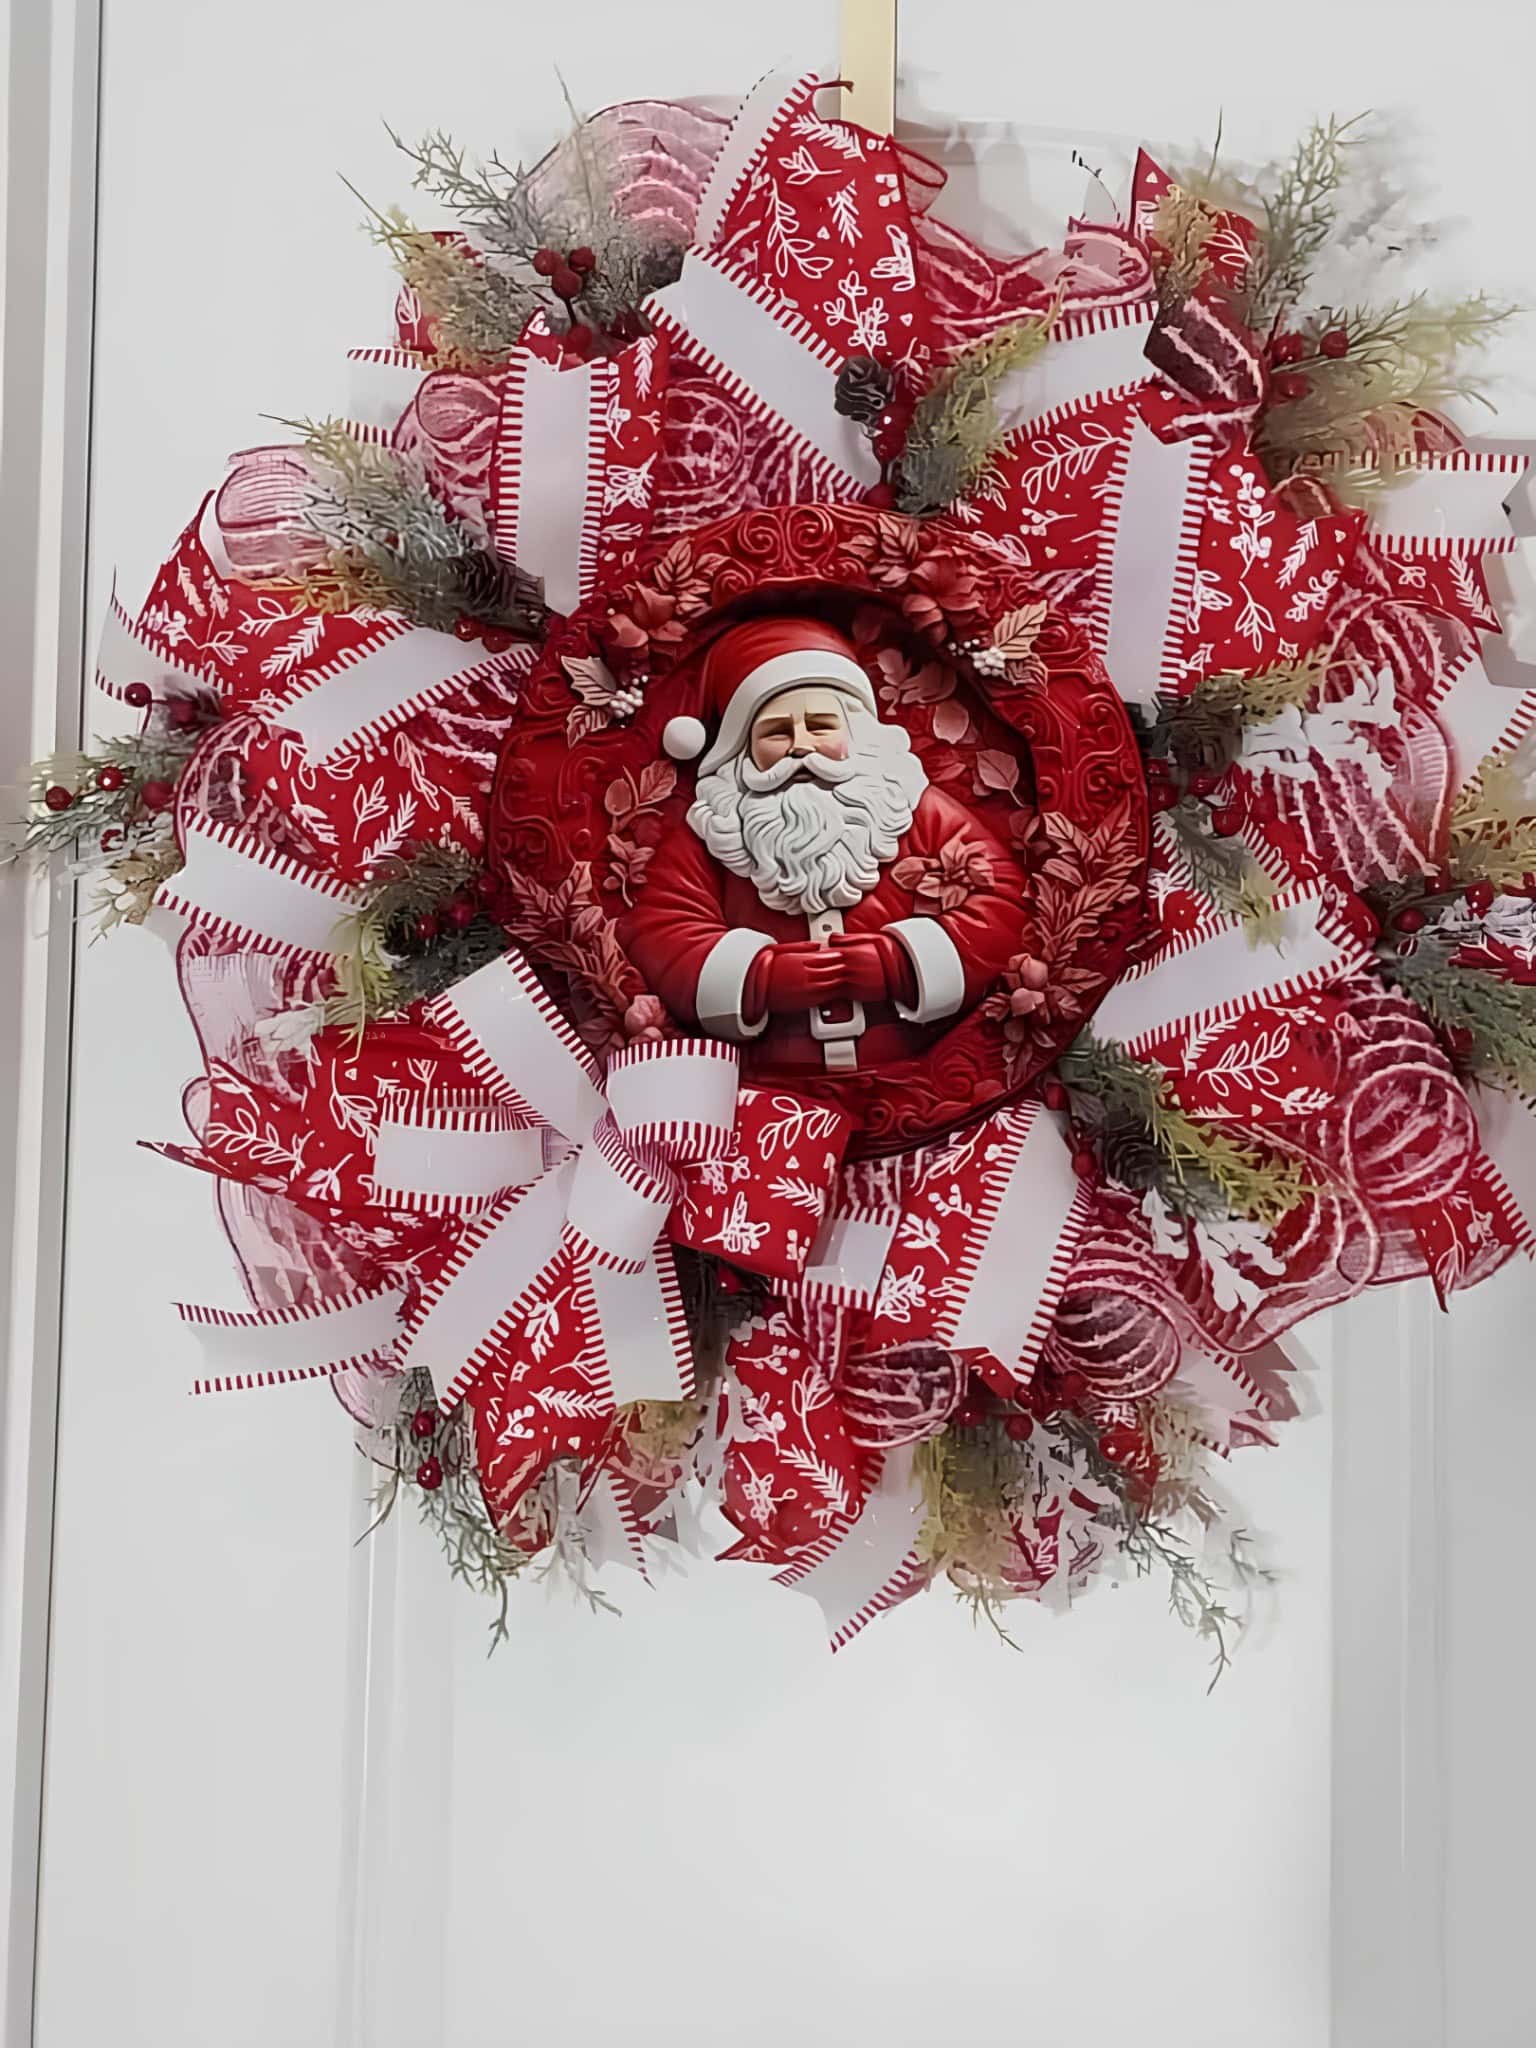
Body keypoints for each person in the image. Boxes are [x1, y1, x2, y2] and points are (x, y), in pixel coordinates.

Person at [619, 615, 1032, 1081]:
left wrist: (899, 963)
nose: (801, 746)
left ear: (855, 732)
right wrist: (760, 977)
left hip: (918, 1071)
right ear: (743, 748)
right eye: (776, 732)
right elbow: (661, 929)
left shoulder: (915, 808)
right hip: (767, 1086)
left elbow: (1001, 901)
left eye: (819, 725)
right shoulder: (715, 828)